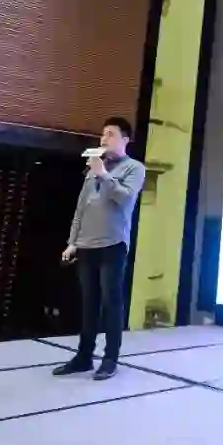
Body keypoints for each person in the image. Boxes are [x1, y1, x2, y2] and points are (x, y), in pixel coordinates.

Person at [52, 117, 146, 380]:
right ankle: (84, 357)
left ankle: (110, 358)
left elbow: (125, 198)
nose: (104, 139)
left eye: (111, 134)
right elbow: (81, 207)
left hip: (113, 244)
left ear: (125, 139)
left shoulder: (134, 168)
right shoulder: (94, 168)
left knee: (111, 303)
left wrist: (103, 175)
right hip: (86, 245)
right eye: (103, 134)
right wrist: (72, 242)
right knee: (88, 303)